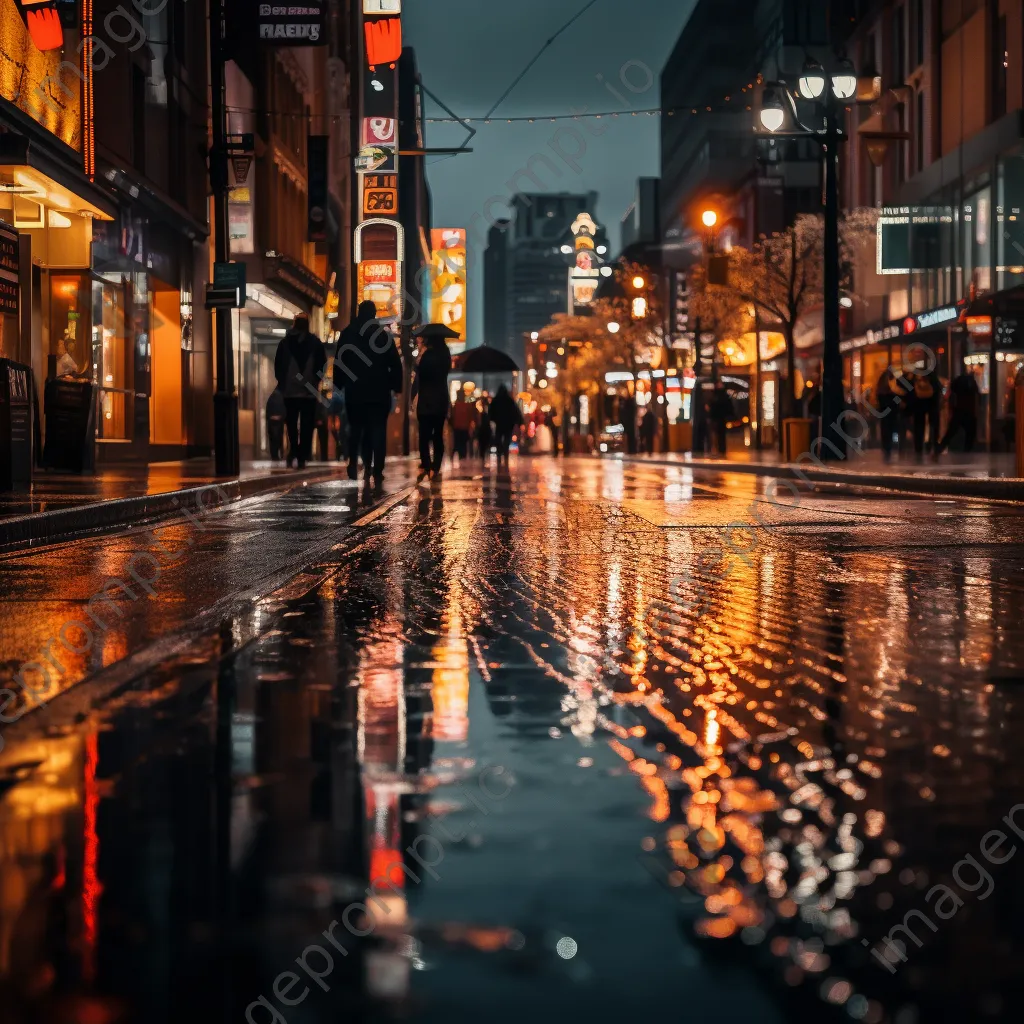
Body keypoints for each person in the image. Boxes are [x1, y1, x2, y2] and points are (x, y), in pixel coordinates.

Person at [334, 300, 403, 484]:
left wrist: (339, 382)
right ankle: (377, 469)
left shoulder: (348, 333)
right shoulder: (382, 336)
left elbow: (340, 360)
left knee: (356, 428)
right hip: (379, 392)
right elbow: (395, 364)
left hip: (355, 390)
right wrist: (396, 386)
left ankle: (353, 464)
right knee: (378, 429)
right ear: (373, 314)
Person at [274, 313, 326, 469]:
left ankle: (293, 451)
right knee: (307, 425)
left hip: (290, 391)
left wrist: (282, 382)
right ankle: (303, 455)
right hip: (309, 391)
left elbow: (278, 365)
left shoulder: (285, 343)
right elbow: (322, 365)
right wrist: (316, 380)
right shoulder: (315, 343)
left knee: (291, 423)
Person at [412, 328, 453, 481]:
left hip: (426, 400)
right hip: (441, 399)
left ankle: (426, 464)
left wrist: (418, 362)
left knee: (424, 435)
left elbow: (421, 373)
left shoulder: (427, 355)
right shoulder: (445, 355)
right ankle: (435, 467)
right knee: (438, 435)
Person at [935, 369, 980, 455]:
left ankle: (940, 448)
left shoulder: (955, 383)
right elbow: (977, 394)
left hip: (959, 410)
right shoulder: (972, 383)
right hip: (969, 411)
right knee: (970, 432)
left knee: (951, 432)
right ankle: (967, 450)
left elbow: (949, 393)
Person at [488, 384, 523, 469]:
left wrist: (493, 419)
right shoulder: (509, 401)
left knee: (498, 441)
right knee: (506, 441)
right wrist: (518, 422)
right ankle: (506, 457)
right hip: (508, 425)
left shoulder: (496, 400)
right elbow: (515, 411)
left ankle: (499, 457)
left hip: (499, 424)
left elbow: (491, 412)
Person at [910, 366, 942, 456]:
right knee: (934, 426)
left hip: (919, 405)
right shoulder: (932, 378)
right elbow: (938, 389)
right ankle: (933, 445)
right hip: (932, 405)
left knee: (919, 426)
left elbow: (910, 392)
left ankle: (918, 447)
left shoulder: (915, 379)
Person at [874, 369, 901, 459]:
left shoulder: (881, 391)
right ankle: (888, 449)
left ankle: (887, 449)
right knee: (889, 431)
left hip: (887, 415)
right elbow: (893, 403)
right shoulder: (888, 392)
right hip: (890, 415)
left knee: (886, 432)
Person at [450, 394, 477, 461]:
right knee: (463, 444)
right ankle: (462, 457)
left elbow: (452, 416)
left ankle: (454, 457)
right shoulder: (467, 406)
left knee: (456, 443)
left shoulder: (455, 406)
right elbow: (471, 417)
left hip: (457, 427)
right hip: (465, 428)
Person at [709, 386, 733, 455]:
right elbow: (729, 408)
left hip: (715, 419)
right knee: (721, 435)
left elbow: (712, 409)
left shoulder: (714, 399)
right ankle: (721, 449)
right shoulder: (725, 398)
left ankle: (716, 449)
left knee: (715, 434)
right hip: (722, 419)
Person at [266, 386, 286, 461]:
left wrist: (270, 417)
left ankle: (274, 455)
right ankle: (279, 454)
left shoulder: (271, 398)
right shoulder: (281, 398)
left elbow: (268, 411)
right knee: (278, 439)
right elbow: (284, 410)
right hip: (279, 421)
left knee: (273, 439)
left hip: (272, 421)